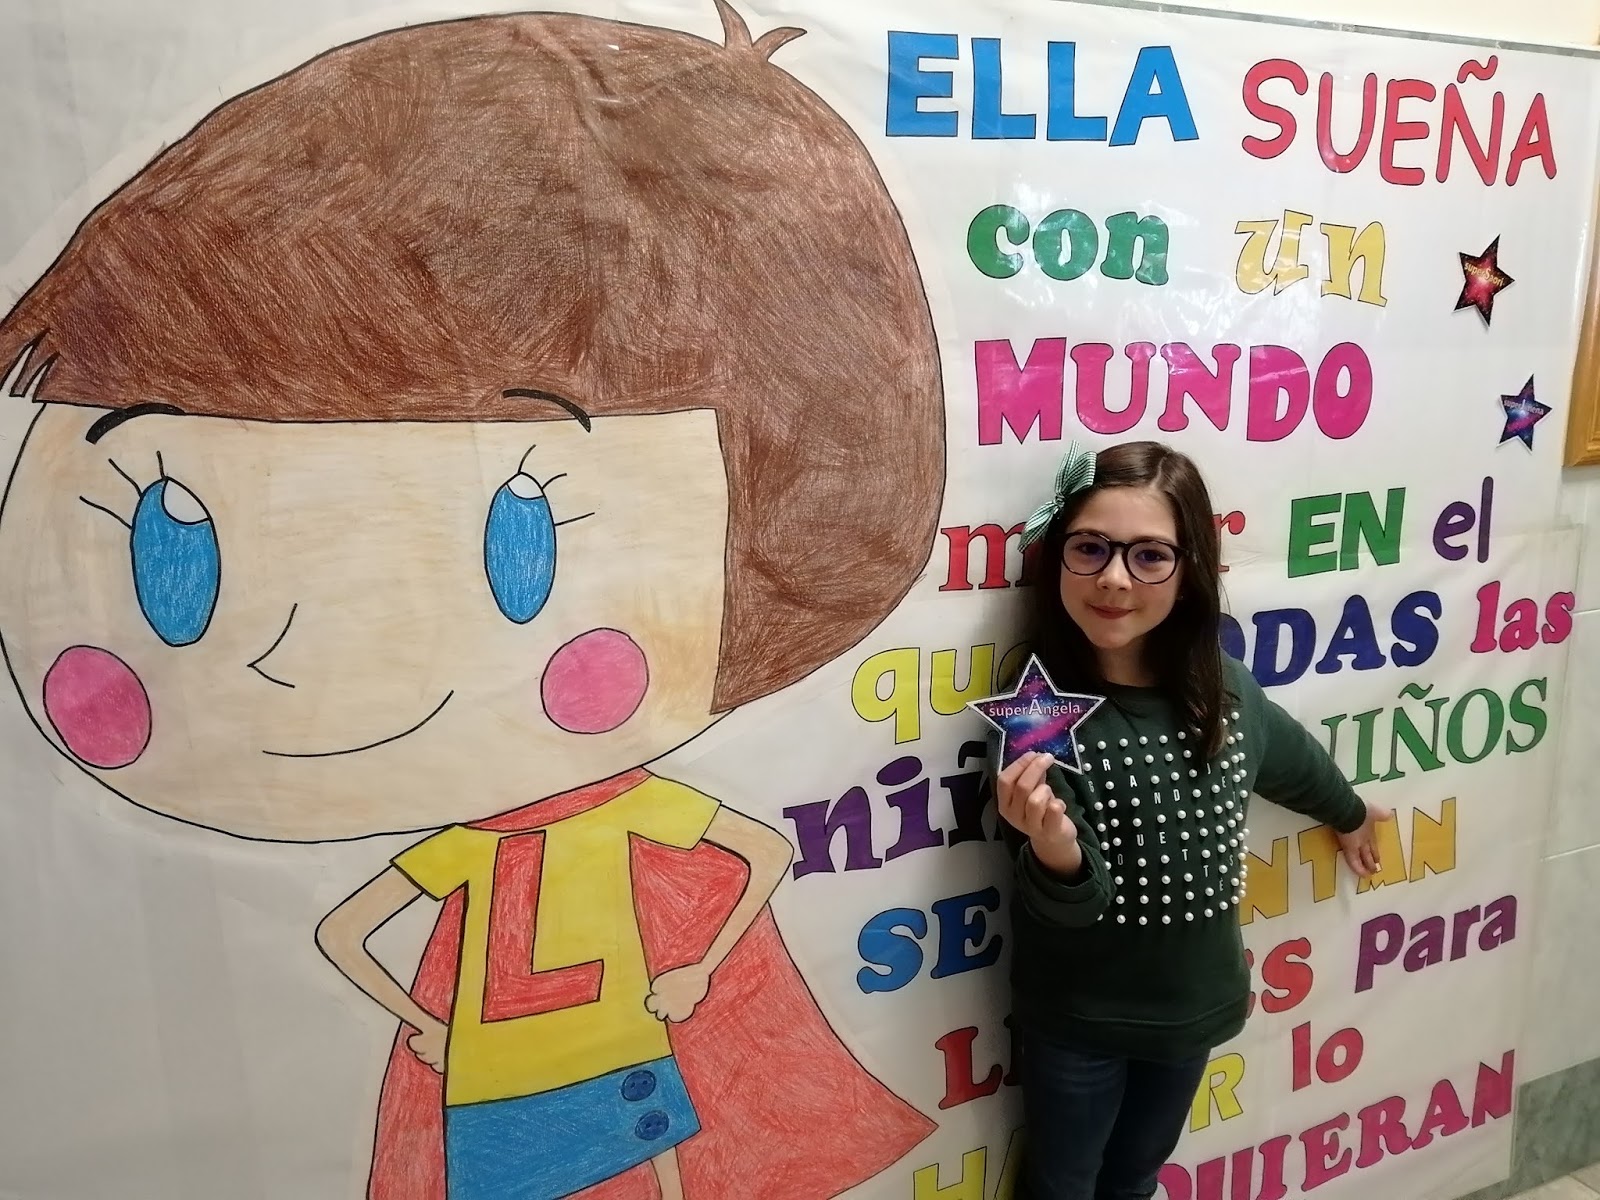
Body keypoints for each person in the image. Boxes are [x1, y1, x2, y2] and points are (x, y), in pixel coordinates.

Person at [0, 4, 943, 1197]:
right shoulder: (482, 849)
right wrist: (427, 1019)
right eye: (166, 547)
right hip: (502, 1089)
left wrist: (690, 973)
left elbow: (751, 854)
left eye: (525, 539)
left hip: (604, 1070)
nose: (307, 659)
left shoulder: (596, 824)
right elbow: (351, 933)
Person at [992, 439, 1391, 1200]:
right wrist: (1055, 848)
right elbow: (1071, 902)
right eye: (1090, 548)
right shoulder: (1039, 715)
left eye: (1149, 555)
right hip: (1078, 1022)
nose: (1114, 578)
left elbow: (1293, 761)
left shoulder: (1225, 691)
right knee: (1063, 1184)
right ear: (1059, 558)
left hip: (1193, 1012)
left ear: (1189, 572)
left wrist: (1346, 811)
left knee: (1136, 1179)